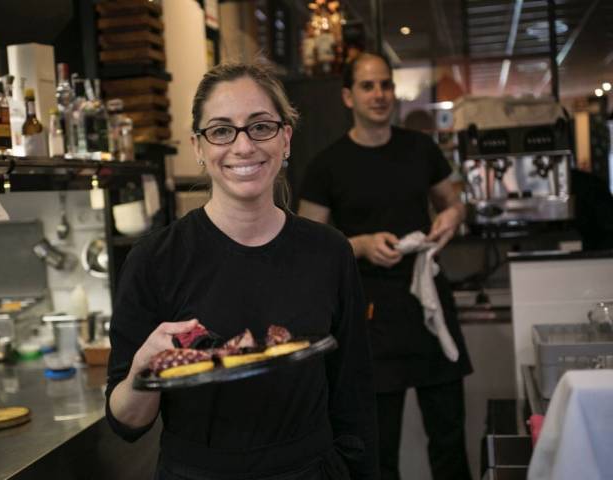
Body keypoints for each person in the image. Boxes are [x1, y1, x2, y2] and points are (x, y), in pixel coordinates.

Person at [106, 61, 379, 480]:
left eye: (260, 126)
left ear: (285, 138)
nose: (243, 146)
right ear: (198, 146)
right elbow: (127, 423)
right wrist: (144, 371)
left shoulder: (329, 252)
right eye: (220, 130)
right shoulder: (154, 260)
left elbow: (354, 397)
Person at [298, 52, 473, 480]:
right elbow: (304, 246)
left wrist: (452, 217)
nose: (379, 95)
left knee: (450, 436)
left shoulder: (420, 148)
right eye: (368, 86)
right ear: (347, 95)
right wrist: (358, 244)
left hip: (428, 304)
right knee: (377, 449)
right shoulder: (327, 165)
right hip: (370, 314)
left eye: (386, 85)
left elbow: (453, 204)